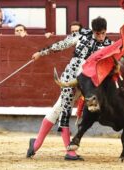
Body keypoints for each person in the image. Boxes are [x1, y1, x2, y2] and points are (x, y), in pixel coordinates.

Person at [26, 16, 112, 160]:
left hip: (87, 86)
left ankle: (35, 145)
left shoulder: (109, 44)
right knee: (65, 111)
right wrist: (41, 53)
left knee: (57, 109)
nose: (101, 37)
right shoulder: (82, 34)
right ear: (93, 31)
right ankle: (69, 151)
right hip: (70, 79)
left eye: (103, 33)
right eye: (98, 34)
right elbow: (62, 44)